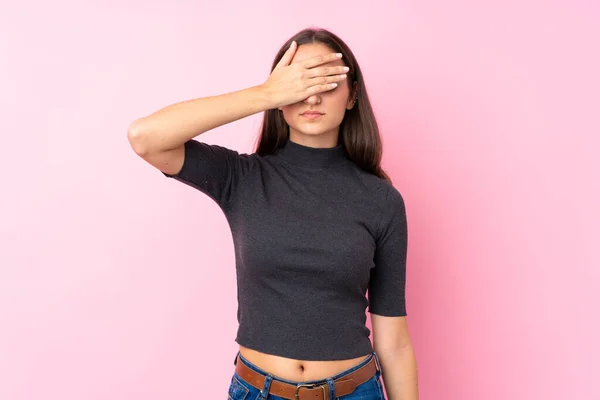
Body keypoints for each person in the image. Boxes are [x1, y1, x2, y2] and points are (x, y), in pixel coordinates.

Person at [128, 27, 417, 400]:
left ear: (352, 96)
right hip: (258, 390)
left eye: (327, 82)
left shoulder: (382, 200)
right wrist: (266, 93)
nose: (311, 95)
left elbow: (394, 342)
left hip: (354, 391)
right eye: (299, 83)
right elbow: (145, 136)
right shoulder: (242, 178)